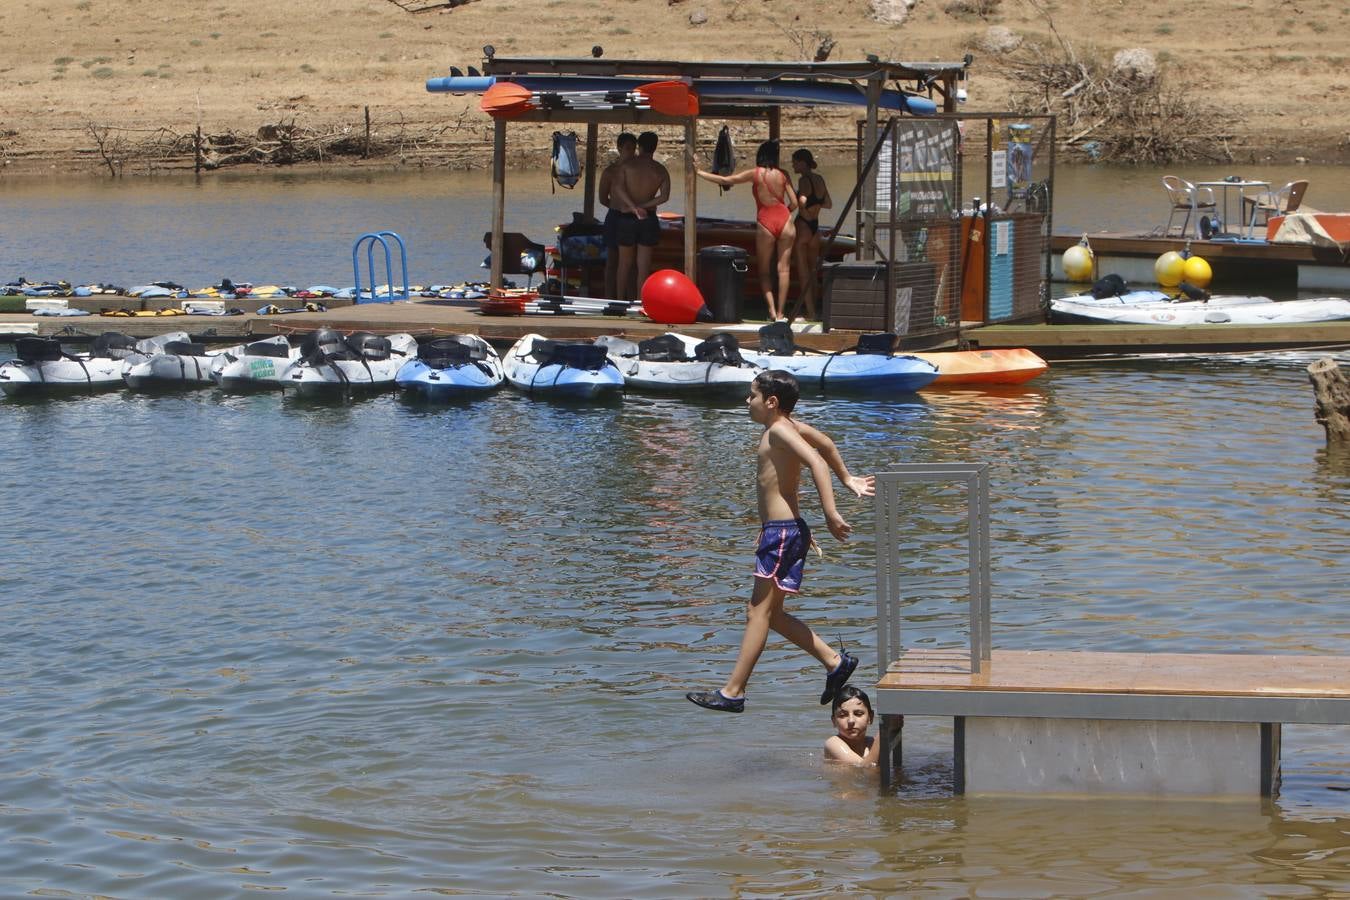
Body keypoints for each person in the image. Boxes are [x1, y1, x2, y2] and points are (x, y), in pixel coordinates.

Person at [686, 370, 875, 714]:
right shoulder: (788, 428)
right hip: (786, 530)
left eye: (752, 395)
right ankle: (834, 661)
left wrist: (831, 513)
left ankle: (734, 692)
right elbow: (827, 444)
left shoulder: (779, 431)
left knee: (757, 612)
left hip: (783, 532)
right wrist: (846, 477)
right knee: (771, 615)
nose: (748, 401)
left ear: (771, 402)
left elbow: (817, 461)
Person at [696, 140, 797, 321]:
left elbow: (725, 180)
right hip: (785, 220)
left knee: (764, 271)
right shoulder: (784, 175)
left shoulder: (755, 174)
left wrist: (699, 172)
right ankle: (782, 313)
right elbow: (795, 203)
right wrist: (784, 215)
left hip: (766, 221)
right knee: (784, 270)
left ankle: (772, 312)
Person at [611, 131, 671, 302]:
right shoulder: (660, 170)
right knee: (643, 266)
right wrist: (643, 206)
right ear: (655, 147)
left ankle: (620, 301)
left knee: (624, 264)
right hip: (647, 218)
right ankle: (640, 301)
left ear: (640, 146)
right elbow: (664, 196)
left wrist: (633, 207)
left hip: (627, 217)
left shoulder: (628, 166)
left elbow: (617, 188)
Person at [791, 148, 832, 321]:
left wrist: (800, 203)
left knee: (803, 273)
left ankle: (811, 313)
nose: (793, 165)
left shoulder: (803, 180)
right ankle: (815, 309)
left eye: (795, 161)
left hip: (803, 226)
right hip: (815, 227)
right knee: (813, 270)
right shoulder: (819, 179)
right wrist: (815, 209)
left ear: (803, 162)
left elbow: (801, 202)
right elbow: (828, 203)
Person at [598, 132, 638, 301]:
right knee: (612, 260)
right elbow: (602, 198)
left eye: (634, 148)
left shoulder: (637, 170)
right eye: (628, 148)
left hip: (633, 217)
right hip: (614, 216)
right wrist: (618, 207)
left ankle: (631, 298)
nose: (631, 152)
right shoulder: (610, 172)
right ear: (619, 148)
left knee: (632, 262)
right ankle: (610, 298)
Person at [824, 685, 880, 766]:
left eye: (858, 714)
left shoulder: (872, 743)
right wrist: (883, 733)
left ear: (870, 717)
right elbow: (865, 768)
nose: (851, 721)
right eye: (843, 715)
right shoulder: (833, 744)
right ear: (834, 721)